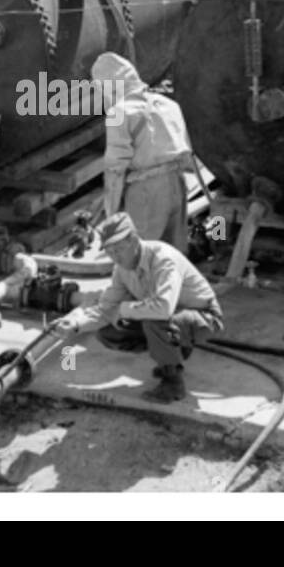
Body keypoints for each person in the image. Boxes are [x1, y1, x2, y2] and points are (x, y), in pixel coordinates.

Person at [51, 212, 224, 404]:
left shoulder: (163, 259)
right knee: (109, 332)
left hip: (205, 317)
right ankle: (172, 352)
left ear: (133, 240)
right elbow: (106, 308)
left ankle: (173, 382)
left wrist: (124, 309)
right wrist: (75, 323)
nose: (114, 257)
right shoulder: (122, 269)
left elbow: (163, 308)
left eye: (118, 250)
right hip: (171, 318)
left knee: (154, 321)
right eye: (109, 251)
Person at [91, 52, 192, 252]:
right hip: (177, 185)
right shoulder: (168, 104)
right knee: (174, 256)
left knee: (140, 258)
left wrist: (111, 213)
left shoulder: (119, 113)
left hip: (146, 192)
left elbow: (115, 169)